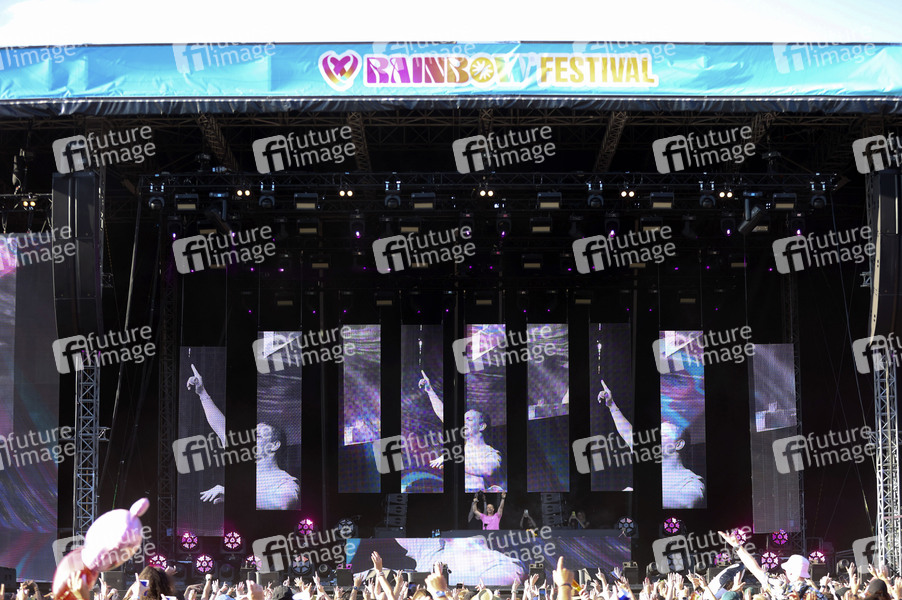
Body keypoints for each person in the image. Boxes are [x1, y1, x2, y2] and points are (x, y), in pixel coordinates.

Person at [187, 364, 299, 510]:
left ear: (274, 445)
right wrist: (202, 393)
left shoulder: (285, 481)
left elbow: (283, 503)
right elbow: (222, 428)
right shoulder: (245, 468)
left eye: (258, 436)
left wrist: (232, 493)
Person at [599, 378, 704, 507]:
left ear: (678, 444)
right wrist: (611, 405)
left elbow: (688, 501)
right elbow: (628, 434)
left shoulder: (690, 481)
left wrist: (638, 494)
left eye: (663, 436)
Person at [421, 371, 504, 492]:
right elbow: (444, 414)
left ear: (482, 426)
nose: (463, 423)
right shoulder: (459, 450)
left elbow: (488, 470)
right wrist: (430, 391)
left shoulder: (489, 452)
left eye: (469, 420)